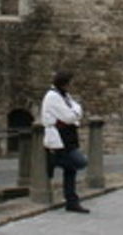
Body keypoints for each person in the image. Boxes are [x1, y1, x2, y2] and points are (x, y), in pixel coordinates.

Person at [41, 70, 90, 213]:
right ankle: (54, 161)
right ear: (64, 83)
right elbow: (70, 116)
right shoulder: (52, 96)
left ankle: (71, 201)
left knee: (71, 170)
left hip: (69, 136)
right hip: (60, 138)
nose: (71, 85)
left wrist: (75, 112)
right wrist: (75, 113)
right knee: (80, 162)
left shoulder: (65, 95)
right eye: (69, 82)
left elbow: (78, 109)